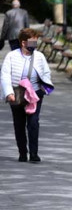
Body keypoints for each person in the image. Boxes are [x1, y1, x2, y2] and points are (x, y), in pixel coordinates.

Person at [1, 28, 53, 162]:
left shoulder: (40, 57)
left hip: (35, 94)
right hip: (17, 94)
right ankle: (22, 152)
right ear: (23, 43)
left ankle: (34, 153)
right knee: (19, 124)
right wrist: (8, 93)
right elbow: (5, 75)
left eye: (36, 42)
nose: (35, 45)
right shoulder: (11, 56)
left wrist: (43, 90)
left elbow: (46, 73)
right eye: (32, 42)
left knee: (33, 123)